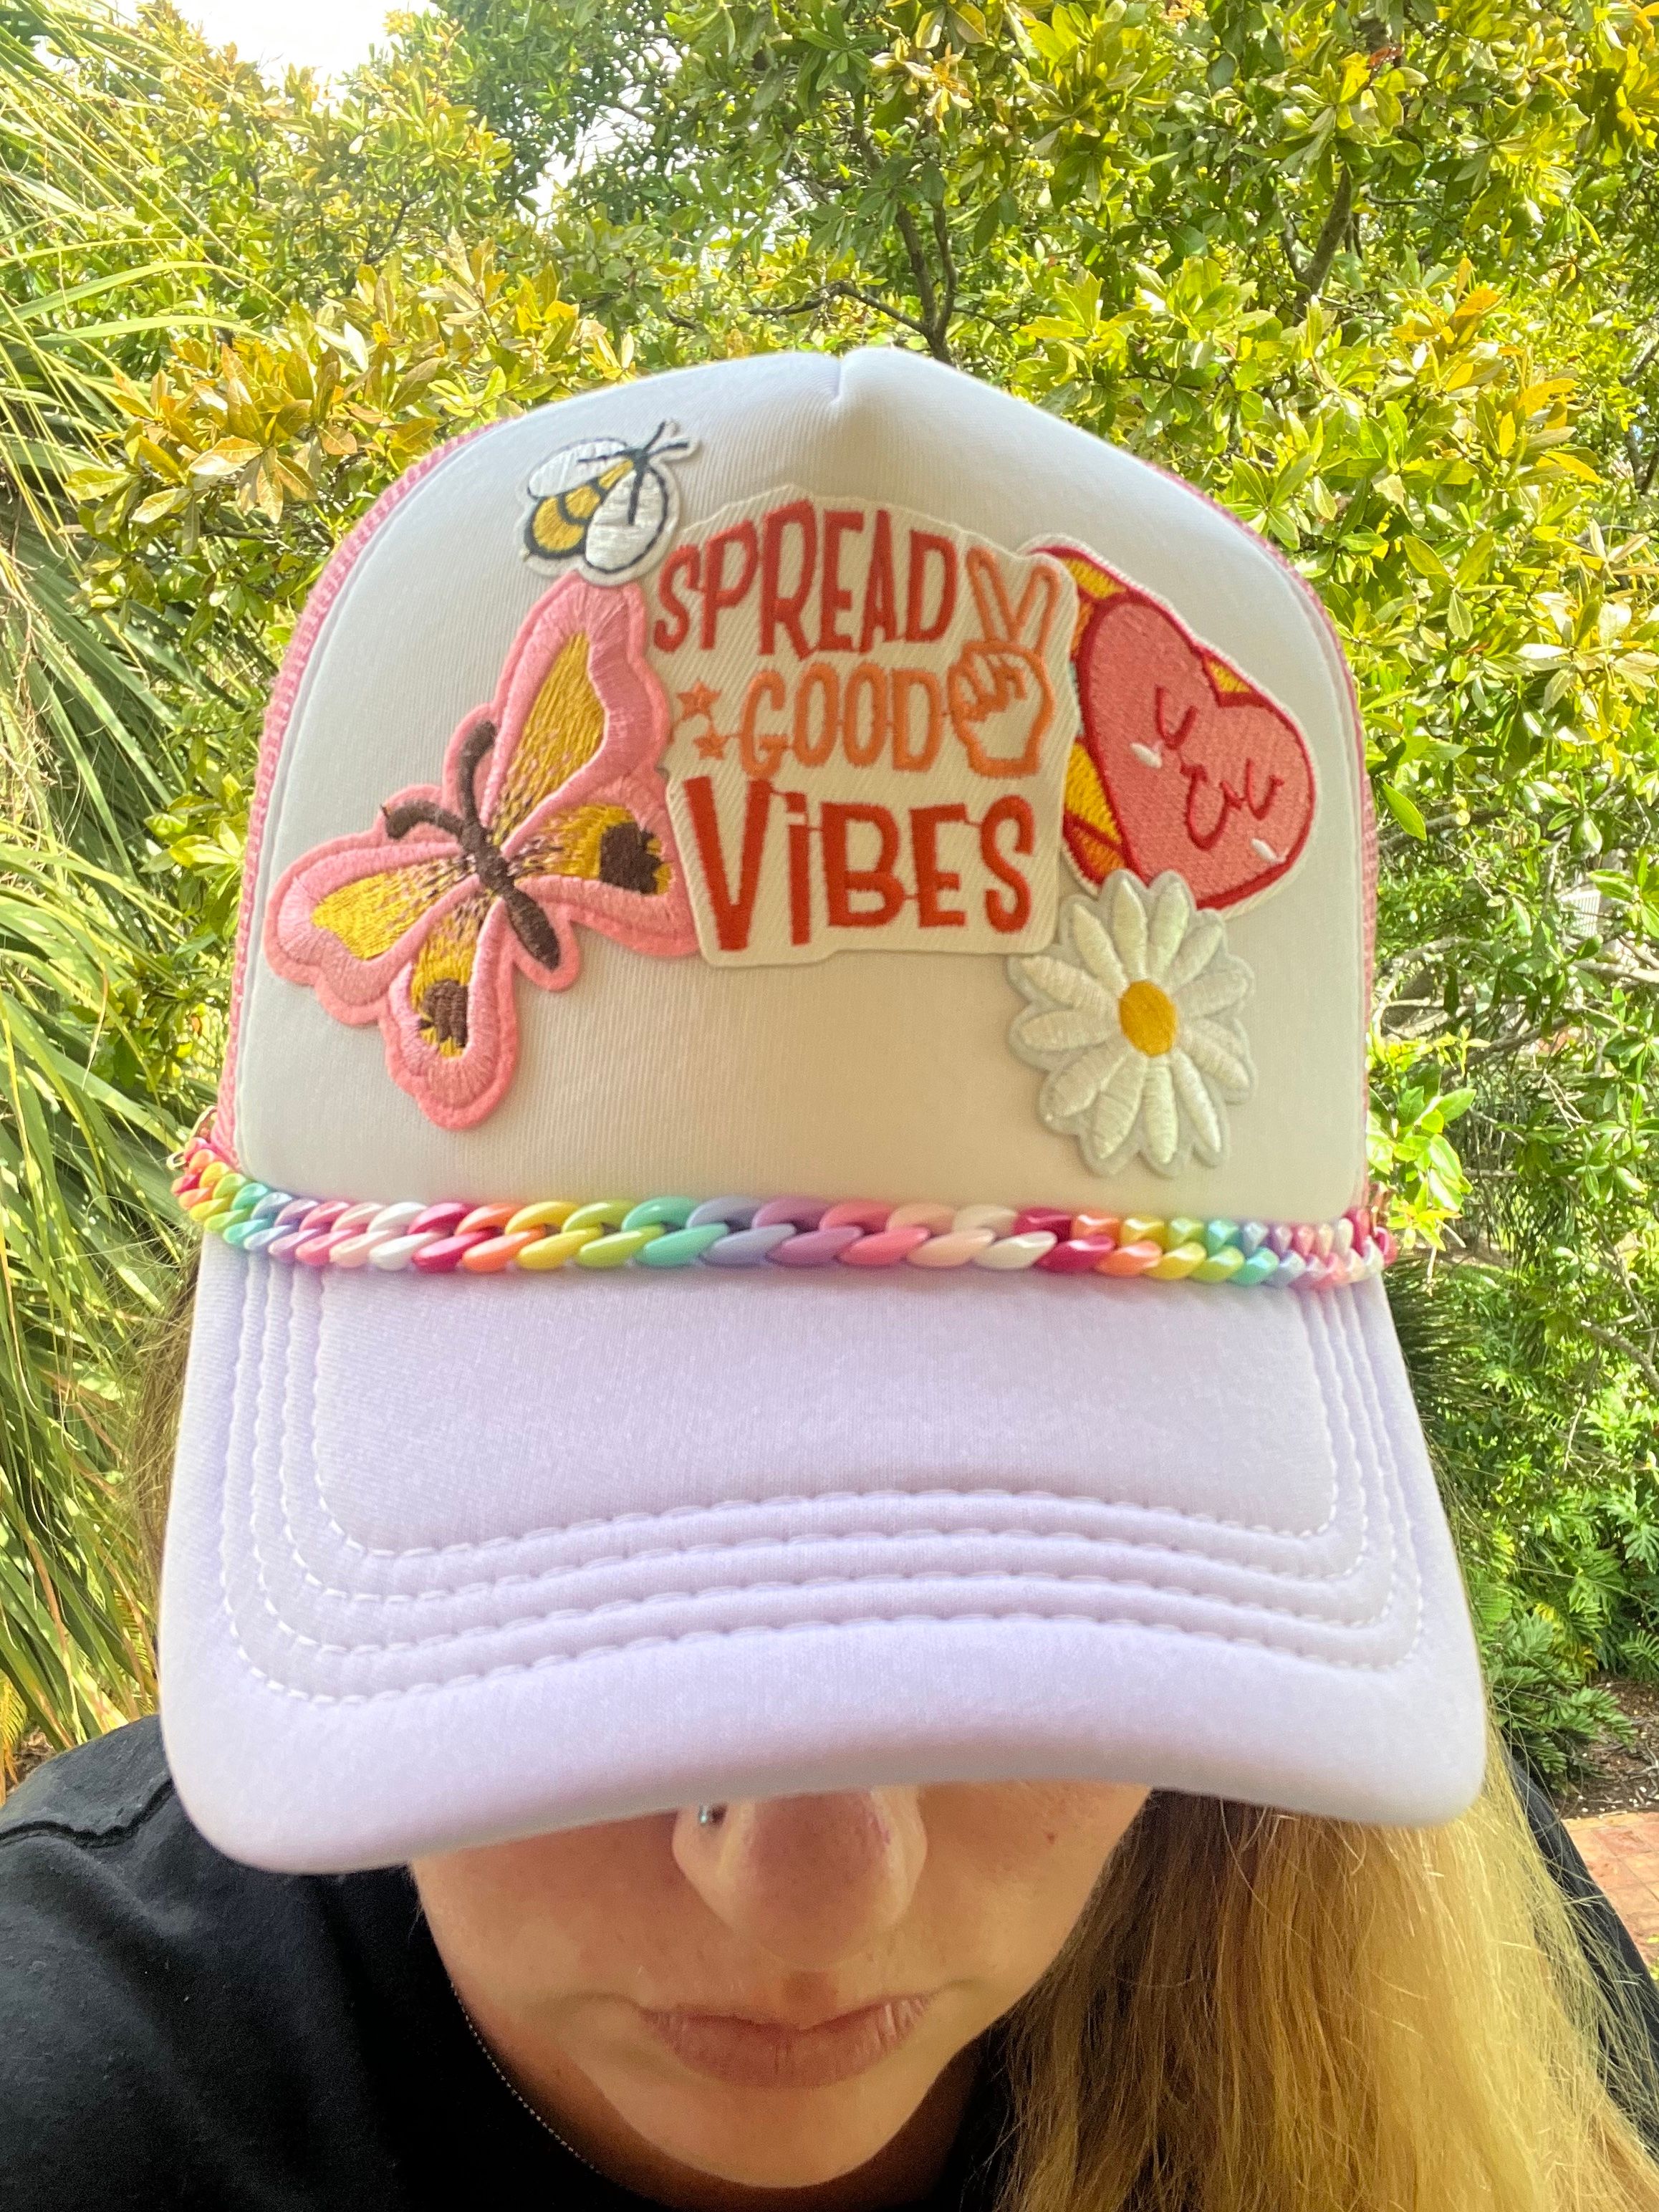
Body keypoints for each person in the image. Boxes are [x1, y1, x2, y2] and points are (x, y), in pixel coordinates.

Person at [4, 349, 1658, 2211]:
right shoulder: (75, 2104)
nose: (810, 1889)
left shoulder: (1393, 1912)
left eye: (1045, 1589)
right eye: (586, 1585)